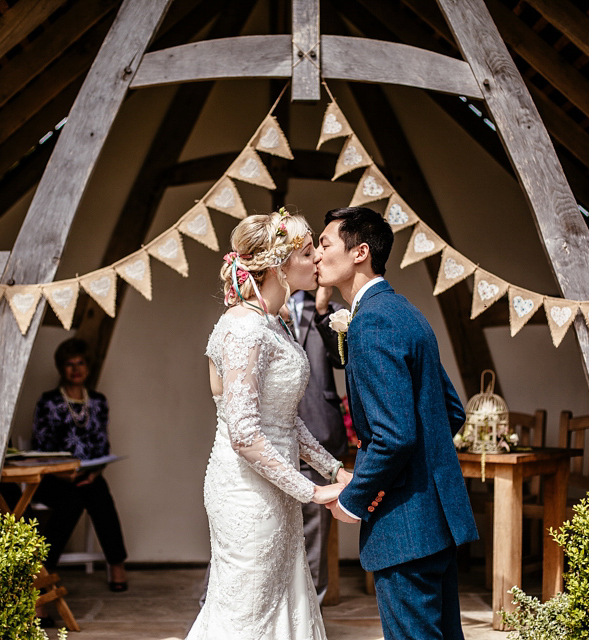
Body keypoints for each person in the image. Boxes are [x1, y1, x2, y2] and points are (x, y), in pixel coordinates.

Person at [315, 206, 479, 640]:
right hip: (435, 522)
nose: (315, 255)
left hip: (405, 527)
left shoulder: (370, 323)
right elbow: (451, 410)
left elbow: (393, 436)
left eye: (325, 243)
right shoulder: (404, 312)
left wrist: (356, 498)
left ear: (360, 252)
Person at [187, 209, 351, 640]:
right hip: (246, 493)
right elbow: (243, 433)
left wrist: (335, 470)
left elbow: (286, 421)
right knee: (247, 614)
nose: (317, 258)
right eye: (307, 250)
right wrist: (312, 490)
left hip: (276, 488)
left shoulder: (273, 324)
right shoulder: (244, 329)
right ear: (280, 264)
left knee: (286, 606)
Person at [31, 338, 128, 592]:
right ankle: (45, 569)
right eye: (69, 364)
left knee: (98, 492)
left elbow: (102, 444)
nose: (76, 369)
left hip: (88, 476)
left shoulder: (98, 401)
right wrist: (63, 472)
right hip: (54, 477)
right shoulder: (49, 401)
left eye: (81, 363)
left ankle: (115, 563)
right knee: (76, 498)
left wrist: (95, 472)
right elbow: (39, 445)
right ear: (61, 368)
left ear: (88, 367)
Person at [285, 287, 348, 605]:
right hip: (272, 435)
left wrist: (323, 310)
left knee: (315, 537)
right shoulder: (258, 307)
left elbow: (342, 359)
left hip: (319, 430)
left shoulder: (330, 311)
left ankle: (310, 614)